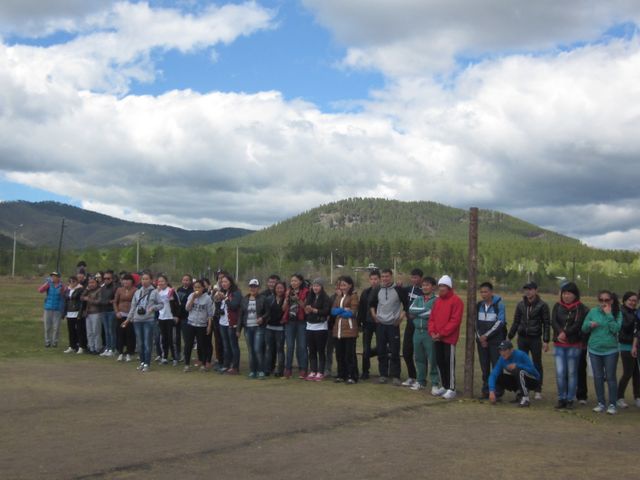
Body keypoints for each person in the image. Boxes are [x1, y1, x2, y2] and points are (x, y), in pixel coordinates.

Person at [581, 290, 622, 414]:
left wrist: (609, 315)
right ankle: (601, 403)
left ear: (612, 300)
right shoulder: (593, 311)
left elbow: (616, 329)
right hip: (594, 349)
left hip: (610, 350)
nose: (604, 302)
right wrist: (589, 324)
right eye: (601, 300)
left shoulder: (617, 313)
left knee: (610, 377)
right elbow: (583, 328)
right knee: (598, 377)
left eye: (607, 300)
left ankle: (612, 404)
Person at [508, 282, 550, 399]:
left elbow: (546, 324)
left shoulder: (542, 305)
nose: (528, 292)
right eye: (526, 289)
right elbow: (516, 322)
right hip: (522, 338)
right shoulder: (520, 305)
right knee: (521, 363)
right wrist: (510, 336)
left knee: (536, 363)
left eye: (530, 289)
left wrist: (546, 340)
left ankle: (538, 389)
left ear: (536, 290)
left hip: (535, 338)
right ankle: (522, 388)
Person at [551, 282, 590, 409]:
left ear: (575, 295)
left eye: (569, 294)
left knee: (572, 372)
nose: (566, 296)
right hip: (559, 344)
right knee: (560, 372)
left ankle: (570, 399)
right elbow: (554, 321)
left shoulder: (580, 307)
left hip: (573, 344)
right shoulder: (557, 306)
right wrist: (560, 333)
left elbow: (578, 324)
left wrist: (566, 333)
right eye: (564, 293)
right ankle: (561, 398)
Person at [370, 269, 408, 386]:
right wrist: (374, 316)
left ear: (391, 277)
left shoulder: (399, 289)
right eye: (383, 276)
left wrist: (400, 318)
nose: (385, 279)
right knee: (381, 350)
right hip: (381, 325)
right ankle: (383, 375)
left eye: (387, 276)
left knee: (395, 351)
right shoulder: (377, 289)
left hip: (393, 325)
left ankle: (395, 376)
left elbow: (407, 305)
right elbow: (372, 304)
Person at [428, 275, 464, 400]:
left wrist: (442, 333)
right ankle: (444, 385)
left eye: (444, 286)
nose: (441, 288)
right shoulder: (437, 301)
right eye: (440, 286)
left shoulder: (456, 301)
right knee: (439, 361)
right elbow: (432, 318)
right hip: (437, 338)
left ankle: (452, 388)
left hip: (449, 338)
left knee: (449, 363)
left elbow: (455, 321)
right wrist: (432, 332)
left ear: (449, 287)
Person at [123, 272, 163, 372]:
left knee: (147, 343)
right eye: (143, 279)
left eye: (146, 279)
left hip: (148, 320)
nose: (144, 281)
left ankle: (147, 363)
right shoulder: (137, 292)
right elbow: (133, 307)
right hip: (137, 320)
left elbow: (161, 304)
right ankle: (142, 362)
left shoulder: (154, 292)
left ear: (151, 280)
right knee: (140, 343)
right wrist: (128, 319)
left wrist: (153, 308)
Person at [408, 277, 441, 393]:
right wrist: (425, 310)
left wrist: (418, 313)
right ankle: (421, 381)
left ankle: (435, 383)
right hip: (417, 331)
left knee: (433, 358)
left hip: (429, 332)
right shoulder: (418, 298)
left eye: (427, 285)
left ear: (433, 287)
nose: (425, 287)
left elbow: (433, 313)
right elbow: (411, 310)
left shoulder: (437, 300)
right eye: (423, 285)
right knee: (419, 358)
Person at [476, 282, 507, 399]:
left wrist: (486, 336)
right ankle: (486, 390)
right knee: (484, 367)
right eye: (481, 292)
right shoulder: (479, 305)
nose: (483, 294)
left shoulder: (499, 305)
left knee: (496, 366)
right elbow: (475, 323)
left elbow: (500, 322)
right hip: (482, 342)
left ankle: (497, 391)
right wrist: (481, 338)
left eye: (486, 292)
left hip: (495, 341)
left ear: (491, 292)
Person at [488, 340, 541, 408]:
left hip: (533, 380)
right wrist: (491, 391)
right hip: (520, 379)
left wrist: (517, 365)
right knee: (499, 377)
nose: (502, 352)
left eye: (505, 350)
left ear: (511, 350)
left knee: (520, 372)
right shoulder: (501, 359)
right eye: (500, 350)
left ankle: (525, 399)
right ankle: (519, 394)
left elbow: (532, 370)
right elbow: (493, 375)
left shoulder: (521, 355)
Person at [239, 279, 270, 379]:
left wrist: (262, 318)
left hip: (259, 328)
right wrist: (238, 330)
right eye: (251, 286)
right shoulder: (244, 299)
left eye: (255, 286)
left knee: (257, 349)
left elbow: (268, 312)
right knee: (251, 350)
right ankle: (253, 370)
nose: (253, 288)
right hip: (248, 327)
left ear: (258, 288)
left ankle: (261, 370)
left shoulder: (263, 299)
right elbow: (241, 315)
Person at [332, 276, 360, 384]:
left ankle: (352, 376)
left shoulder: (353, 296)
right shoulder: (339, 296)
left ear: (350, 285)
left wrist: (341, 312)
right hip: (338, 330)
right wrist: (343, 309)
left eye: (344, 285)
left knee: (349, 355)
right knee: (339, 354)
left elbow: (352, 313)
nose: (342, 287)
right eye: (341, 285)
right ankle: (341, 375)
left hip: (349, 330)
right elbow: (333, 311)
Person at [183, 279, 215, 372]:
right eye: (195, 287)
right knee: (188, 344)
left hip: (202, 325)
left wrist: (209, 326)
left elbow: (210, 314)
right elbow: (187, 308)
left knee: (202, 345)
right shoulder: (191, 296)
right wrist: (193, 298)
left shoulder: (207, 298)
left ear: (203, 288)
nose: (197, 289)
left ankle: (203, 364)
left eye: (199, 287)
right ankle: (187, 364)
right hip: (191, 323)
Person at [305, 278, 333, 381]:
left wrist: (314, 310)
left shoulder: (325, 298)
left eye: (317, 286)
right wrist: (307, 310)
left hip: (321, 327)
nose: (315, 288)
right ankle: (313, 370)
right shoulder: (310, 296)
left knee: (320, 350)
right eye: (314, 286)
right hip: (310, 326)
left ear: (321, 287)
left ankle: (320, 371)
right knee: (311, 350)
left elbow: (326, 311)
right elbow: (306, 308)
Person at [283, 273, 309, 379]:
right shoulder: (288, 291)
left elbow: (306, 307)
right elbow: (283, 308)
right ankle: (287, 369)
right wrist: (286, 298)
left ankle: (303, 369)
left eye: (295, 281)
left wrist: (297, 299)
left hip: (301, 322)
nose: (293, 283)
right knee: (289, 346)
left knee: (302, 346)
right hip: (290, 321)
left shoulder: (306, 291)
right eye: (292, 281)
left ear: (300, 282)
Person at [215, 273, 242, 374]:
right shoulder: (222, 292)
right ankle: (226, 365)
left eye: (226, 281)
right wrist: (217, 300)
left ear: (230, 282)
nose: (223, 284)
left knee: (233, 345)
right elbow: (219, 307)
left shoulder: (236, 292)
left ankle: (235, 367)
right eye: (222, 282)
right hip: (222, 322)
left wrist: (225, 299)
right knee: (226, 345)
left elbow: (234, 305)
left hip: (232, 323)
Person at [617, 292, 640, 408]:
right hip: (626, 346)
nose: (633, 302)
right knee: (627, 373)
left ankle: (637, 397)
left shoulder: (635, 312)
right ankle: (619, 397)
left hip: (636, 345)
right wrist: (636, 320)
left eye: (635, 300)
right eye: (630, 300)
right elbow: (625, 327)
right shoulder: (621, 312)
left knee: (637, 373)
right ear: (625, 300)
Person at [401, 268, 423, 387]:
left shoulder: (424, 291)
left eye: (416, 277)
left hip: (420, 325)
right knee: (406, 351)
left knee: (420, 353)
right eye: (412, 277)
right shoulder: (409, 289)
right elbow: (401, 295)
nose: (414, 279)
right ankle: (412, 376)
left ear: (421, 278)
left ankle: (421, 379)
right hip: (410, 324)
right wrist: (399, 286)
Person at [357, 269, 380, 381]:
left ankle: (383, 372)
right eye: (372, 279)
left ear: (379, 280)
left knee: (382, 346)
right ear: (369, 280)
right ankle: (365, 371)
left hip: (380, 323)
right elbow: (361, 308)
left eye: (376, 279)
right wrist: (359, 323)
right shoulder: (365, 292)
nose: (374, 281)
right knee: (366, 348)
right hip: (367, 323)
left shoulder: (383, 291)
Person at [156, 274, 180, 366]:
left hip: (170, 317)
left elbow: (177, 304)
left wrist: (176, 315)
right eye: (159, 281)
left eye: (162, 281)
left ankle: (175, 358)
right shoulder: (158, 292)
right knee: (163, 339)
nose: (160, 283)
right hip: (161, 318)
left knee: (171, 339)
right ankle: (164, 357)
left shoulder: (171, 291)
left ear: (166, 282)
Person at [38, 271, 66, 348]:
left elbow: (65, 295)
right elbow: (40, 290)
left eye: (55, 276)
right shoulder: (48, 284)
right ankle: (47, 342)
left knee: (56, 327)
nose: (53, 278)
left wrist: (62, 292)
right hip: (48, 308)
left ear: (58, 278)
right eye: (52, 276)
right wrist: (46, 284)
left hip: (57, 309)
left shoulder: (62, 286)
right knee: (47, 327)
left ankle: (55, 342)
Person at [265, 281, 287, 377]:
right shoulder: (269, 299)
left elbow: (284, 310)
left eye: (281, 288)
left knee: (280, 350)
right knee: (269, 349)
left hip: (280, 328)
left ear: (284, 289)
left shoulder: (286, 299)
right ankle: (268, 368)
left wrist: (286, 300)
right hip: (269, 327)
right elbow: (266, 312)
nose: (279, 290)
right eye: (277, 288)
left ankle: (280, 370)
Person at [114, 274, 136, 362]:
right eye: (124, 280)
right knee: (120, 334)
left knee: (129, 334)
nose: (126, 282)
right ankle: (120, 352)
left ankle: (129, 353)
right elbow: (115, 302)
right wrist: (117, 312)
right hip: (121, 314)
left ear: (132, 281)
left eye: (128, 280)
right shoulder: (119, 290)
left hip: (130, 315)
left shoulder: (135, 290)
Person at [175, 274, 194, 363]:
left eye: (187, 280)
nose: (185, 282)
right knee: (177, 337)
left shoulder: (192, 291)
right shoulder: (179, 289)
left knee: (186, 338)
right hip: (178, 316)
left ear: (190, 281)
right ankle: (178, 353)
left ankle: (186, 355)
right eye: (184, 280)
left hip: (186, 317)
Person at [63, 276, 85, 354]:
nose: (72, 283)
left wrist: (80, 313)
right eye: (70, 281)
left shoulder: (80, 289)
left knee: (79, 330)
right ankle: (72, 346)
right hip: (69, 313)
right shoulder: (68, 290)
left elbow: (81, 302)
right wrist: (64, 312)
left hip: (77, 312)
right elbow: (66, 301)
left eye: (73, 281)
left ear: (77, 282)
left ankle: (81, 346)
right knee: (71, 330)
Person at [81, 276, 103, 355]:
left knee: (96, 331)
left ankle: (97, 348)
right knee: (89, 332)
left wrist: (89, 299)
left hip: (96, 312)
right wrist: (86, 289)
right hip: (88, 313)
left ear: (97, 283)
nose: (91, 284)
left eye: (93, 282)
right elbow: (81, 297)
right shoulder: (89, 291)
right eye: (89, 283)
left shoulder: (100, 290)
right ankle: (91, 347)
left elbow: (99, 301)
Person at [98, 270, 117, 357]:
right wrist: (107, 301)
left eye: (108, 278)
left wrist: (109, 301)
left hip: (111, 311)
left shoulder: (115, 288)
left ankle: (113, 349)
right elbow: (101, 299)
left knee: (111, 330)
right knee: (106, 330)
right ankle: (107, 348)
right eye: (104, 278)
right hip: (103, 310)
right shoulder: (102, 288)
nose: (106, 280)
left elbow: (115, 300)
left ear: (112, 279)